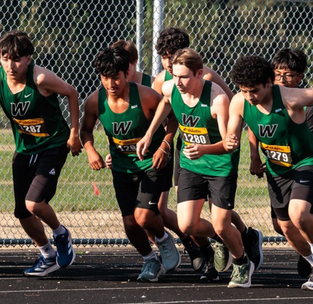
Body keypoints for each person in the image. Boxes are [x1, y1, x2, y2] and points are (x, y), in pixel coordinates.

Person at [225, 55, 313, 286]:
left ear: (269, 82)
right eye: (244, 90)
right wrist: (231, 140)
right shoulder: (240, 102)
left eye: (254, 91)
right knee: (286, 227)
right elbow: (233, 131)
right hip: (277, 169)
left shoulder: (291, 98)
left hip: (305, 162)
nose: (250, 96)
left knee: (299, 213)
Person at [136, 48, 254, 288]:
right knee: (186, 224)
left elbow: (228, 145)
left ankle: (242, 263)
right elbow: (165, 103)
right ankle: (222, 239)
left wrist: (204, 150)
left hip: (219, 167)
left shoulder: (217, 99)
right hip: (192, 164)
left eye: (184, 77)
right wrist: (149, 135)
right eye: (175, 76)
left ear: (199, 74)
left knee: (222, 223)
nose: (178, 82)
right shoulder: (171, 88)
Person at [153, 27, 264, 271]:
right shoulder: (165, 82)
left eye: (172, 56)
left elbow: (238, 107)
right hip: (189, 151)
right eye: (163, 57)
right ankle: (218, 243)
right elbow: (168, 110)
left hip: (218, 152)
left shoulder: (210, 83)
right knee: (189, 218)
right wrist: (163, 140)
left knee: (219, 215)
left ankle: (243, 236)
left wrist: (249, 148)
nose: (168, 63)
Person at [80, 47, 180, 282]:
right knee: (129, 223)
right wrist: (90, 150)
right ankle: (149, 260)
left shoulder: (145, 96)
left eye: (116, 76)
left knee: (144, 216)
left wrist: (165, 144)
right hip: (122, 167)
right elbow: (85, 130)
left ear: (127, 73)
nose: (111, 82)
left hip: (152, 162)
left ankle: (164, 241)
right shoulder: (95, 101)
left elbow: (173, 115)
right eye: (105, 77)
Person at [109, 40, 206, 273]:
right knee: (141, 218)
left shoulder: (153, 85)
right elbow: (114, 127)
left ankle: (195, 248)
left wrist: (164, 143)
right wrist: (112, 151)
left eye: (123, 67)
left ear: (132, 64)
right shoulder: (110, 88)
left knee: (156, 212)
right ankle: (161, 254)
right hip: (133, 160)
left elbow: (171, 114)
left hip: (159, 153)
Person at [247, 49, 313, 291]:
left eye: (289, 75)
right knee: (280, 224)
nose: (282, 79)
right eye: (278, 74)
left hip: (306, 165)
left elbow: (305, 142)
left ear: (300, 77)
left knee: (312, 217)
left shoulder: (304, 102)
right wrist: (254, 154)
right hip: (278, 167)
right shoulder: (262, 96)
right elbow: (254, 122)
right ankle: (311, 254)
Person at [0, 30, 81, 276]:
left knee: (33, 203)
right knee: (22, 212)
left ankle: (60, 233)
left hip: (53, 145)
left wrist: (74, 133)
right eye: (4, 57)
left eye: (16, 59)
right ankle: (47, 254)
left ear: (28, 59)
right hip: (25, 148)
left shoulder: (40, 78)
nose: (10, 65)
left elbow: (72, 92)